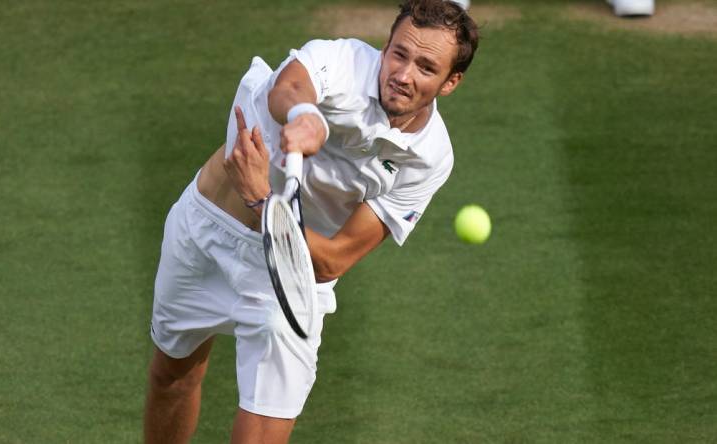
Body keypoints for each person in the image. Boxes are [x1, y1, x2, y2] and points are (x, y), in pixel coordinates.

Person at [143, 0, 479, 442]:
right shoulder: (340, 61)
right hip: (205, 234)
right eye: (398, 53)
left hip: (292, 272)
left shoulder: (430, 157)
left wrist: (263, 200)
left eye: (425, 66)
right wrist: (307, 116)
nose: (402, 74)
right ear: (386, 45)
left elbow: (333, 261)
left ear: (451, 82)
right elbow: (289, 87)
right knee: (173, 377)